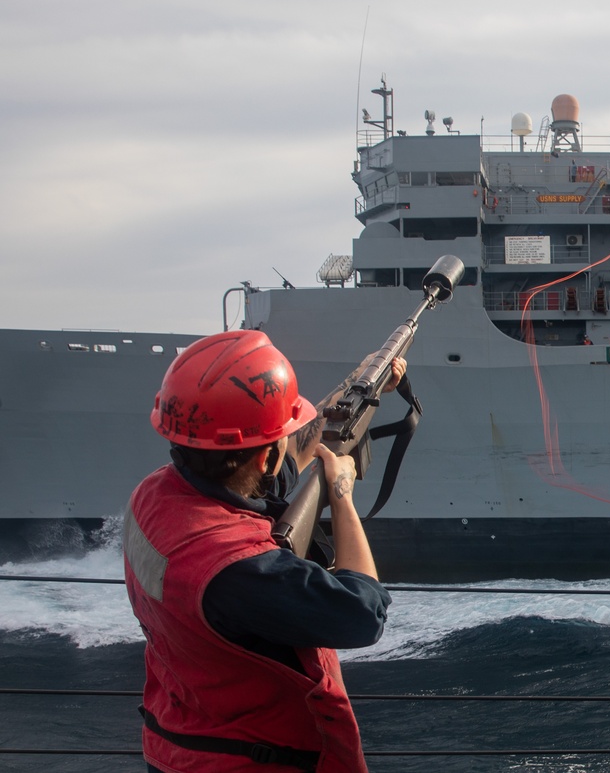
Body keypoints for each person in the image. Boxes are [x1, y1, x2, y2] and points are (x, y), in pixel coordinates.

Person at [123, 330, 406, 773]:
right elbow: (364, 614)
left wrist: (363, 382)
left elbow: (282, 458)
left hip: (180, 742)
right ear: (263, 458)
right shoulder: (242, 569)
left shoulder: (153, 496)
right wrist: (341, 491)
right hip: (257, 760)